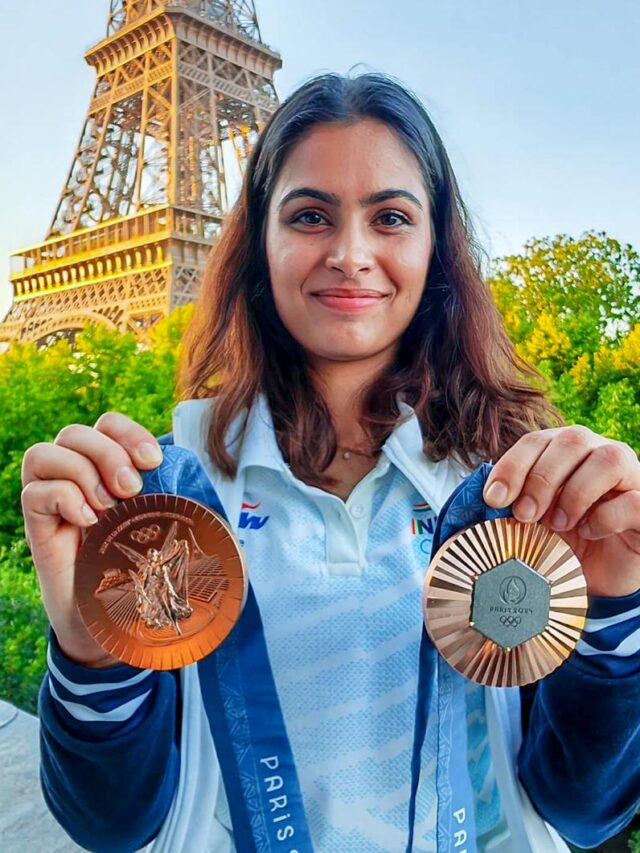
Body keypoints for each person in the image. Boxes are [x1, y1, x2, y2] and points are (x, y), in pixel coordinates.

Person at [21, 72, 640, 853]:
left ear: (434, 247)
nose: (351, 255)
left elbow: (587, 809)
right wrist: (89, 648)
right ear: (261, 246)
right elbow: (111, 824)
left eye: (390, 217)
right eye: (311, 215)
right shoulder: (168, 502)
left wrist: (616, 601)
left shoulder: (521, 483)